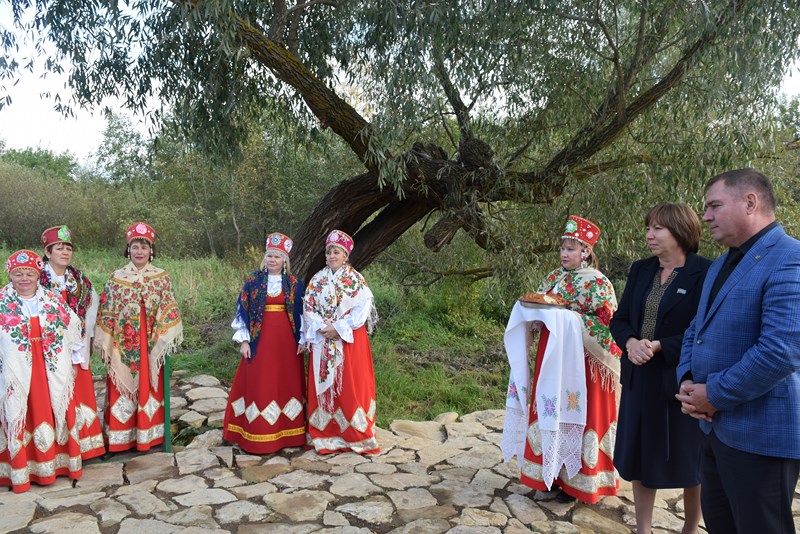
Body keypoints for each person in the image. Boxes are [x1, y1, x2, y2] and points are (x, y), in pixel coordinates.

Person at [676, 169, 800, 533]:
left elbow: (782, 350)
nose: (706, 216)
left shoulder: (791, 258)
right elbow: (695, 329)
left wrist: (712, 393)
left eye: (714, 205)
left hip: (760, 436)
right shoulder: (720, 264)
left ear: (750, 202)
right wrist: (687, 379)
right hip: (713, 432)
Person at [610, 203, 711, 534]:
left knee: (690, 459)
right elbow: (620, 318)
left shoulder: (706, 272)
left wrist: (659, 346)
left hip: (681, 380)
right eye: (648, 228)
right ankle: (644, 529)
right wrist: (631, 344)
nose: (649, 235)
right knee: (640, 456)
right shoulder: (641, 270)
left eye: (657, 229)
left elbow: (706, 329)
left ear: (680, 231)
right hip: (640, 378)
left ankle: (690, 529)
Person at [516, 215, 622, 503]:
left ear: (586, 251)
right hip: (552, 358)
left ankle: (577, 484)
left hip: (583, 362)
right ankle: (547, 476)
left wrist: (568, 319)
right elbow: (539, 305)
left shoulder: (598, 283)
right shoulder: (553, 278)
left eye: (571, 249)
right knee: (552, 413)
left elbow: (608, 324)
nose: (564, 254)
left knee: (578, 416)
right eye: (563, 248)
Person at [94, 222, 183, 452]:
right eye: (135, 246)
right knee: (122, 383)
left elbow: (170, 308)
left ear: (151, 250)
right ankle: (121, 438)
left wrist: (161, 333)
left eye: (144, 247)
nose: (140, 251)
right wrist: (108, 341)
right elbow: (106, 310)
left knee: (149, 381)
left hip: (150, 340)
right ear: (128, 249)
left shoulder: (161, 277)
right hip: (123, 344)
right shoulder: (116, 278)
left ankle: (149, 435)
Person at [0, 250, 84, 492]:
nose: (24, 278)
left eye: (29, 273)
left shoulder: (52, 300)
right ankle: (21, 471)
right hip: (16, 371)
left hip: (51, 370)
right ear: (10, 275)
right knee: (20, 413)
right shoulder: (2, 302)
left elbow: (72, 329)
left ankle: (58, 465)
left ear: (38, 276)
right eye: (18, 274)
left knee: (53, 408)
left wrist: (75, 361)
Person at [225, 232, 306, 453]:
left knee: (284, 382)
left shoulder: (294, 284)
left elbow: (302, 314)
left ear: (285, 261)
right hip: (260, 341)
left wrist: (303, 338)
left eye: (277, 257)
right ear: (264, 258)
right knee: (261, 382)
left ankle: (288, 434)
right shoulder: (253, 281)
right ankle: (256, 434)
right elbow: (242, 312)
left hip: (287, 343)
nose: (272, 260)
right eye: (269, 256)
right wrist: (244, 341)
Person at [303, 229, 379, 454]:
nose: (331, 256)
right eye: (329, 253)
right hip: (323, 339)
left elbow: (361, 310)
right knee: (325, 389)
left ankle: (354, 435)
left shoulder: (355, 279)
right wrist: (322, 327)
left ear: (345, 256)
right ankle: (326, 435)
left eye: (336, 252)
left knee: (349, 386)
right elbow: (308, 307)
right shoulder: (317, 280)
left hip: (349, 341)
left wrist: (337, 328)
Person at [39, 225, 105, 460]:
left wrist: (83, 334)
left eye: (68, 248)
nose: (65, 252)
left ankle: (86, 446)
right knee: (53, 393)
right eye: (59, 248)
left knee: (79, 390)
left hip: (75, 345)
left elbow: (92, 302)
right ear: (48, 252)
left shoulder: (78, 279)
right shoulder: (37, 278)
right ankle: (59, 450)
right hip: (49, 347)